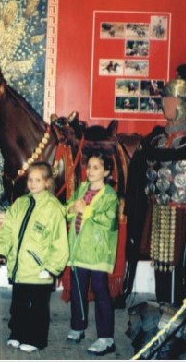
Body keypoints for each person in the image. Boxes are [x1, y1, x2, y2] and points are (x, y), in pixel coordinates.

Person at [125, 64, 186, 304]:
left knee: (183, 270)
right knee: (160, 265)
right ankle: (162, 309)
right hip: (157, 214)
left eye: (174, 99)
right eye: (166, 99)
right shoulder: (154, 142)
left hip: (185, 219)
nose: (168, 104)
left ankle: (180, 313)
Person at [0, 161, 69, 352]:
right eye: (30, 180)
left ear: (47, 182)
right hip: (20, 268)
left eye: (38, 180)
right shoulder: (20, 203)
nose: (33, 184)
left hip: (40, 270)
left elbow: (59, 243)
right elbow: (7, 229)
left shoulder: (54, 208)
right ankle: (17, 333)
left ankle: (36, 339)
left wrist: (51, 268)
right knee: (18, 304)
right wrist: (1, 252)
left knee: (38, 307)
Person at [65, 152, 118, 356]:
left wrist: (85, 210)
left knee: (100, 290)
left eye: (96, 167)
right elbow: (69, 207)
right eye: (88, 167)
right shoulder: (82, 188)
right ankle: (78, 326)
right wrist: (72, 208)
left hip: (97, 251)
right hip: (78, 248)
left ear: (106, 172)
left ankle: (106, 338)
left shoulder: (109, 195)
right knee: (77, 289)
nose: (90, 171)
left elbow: (108, 220)